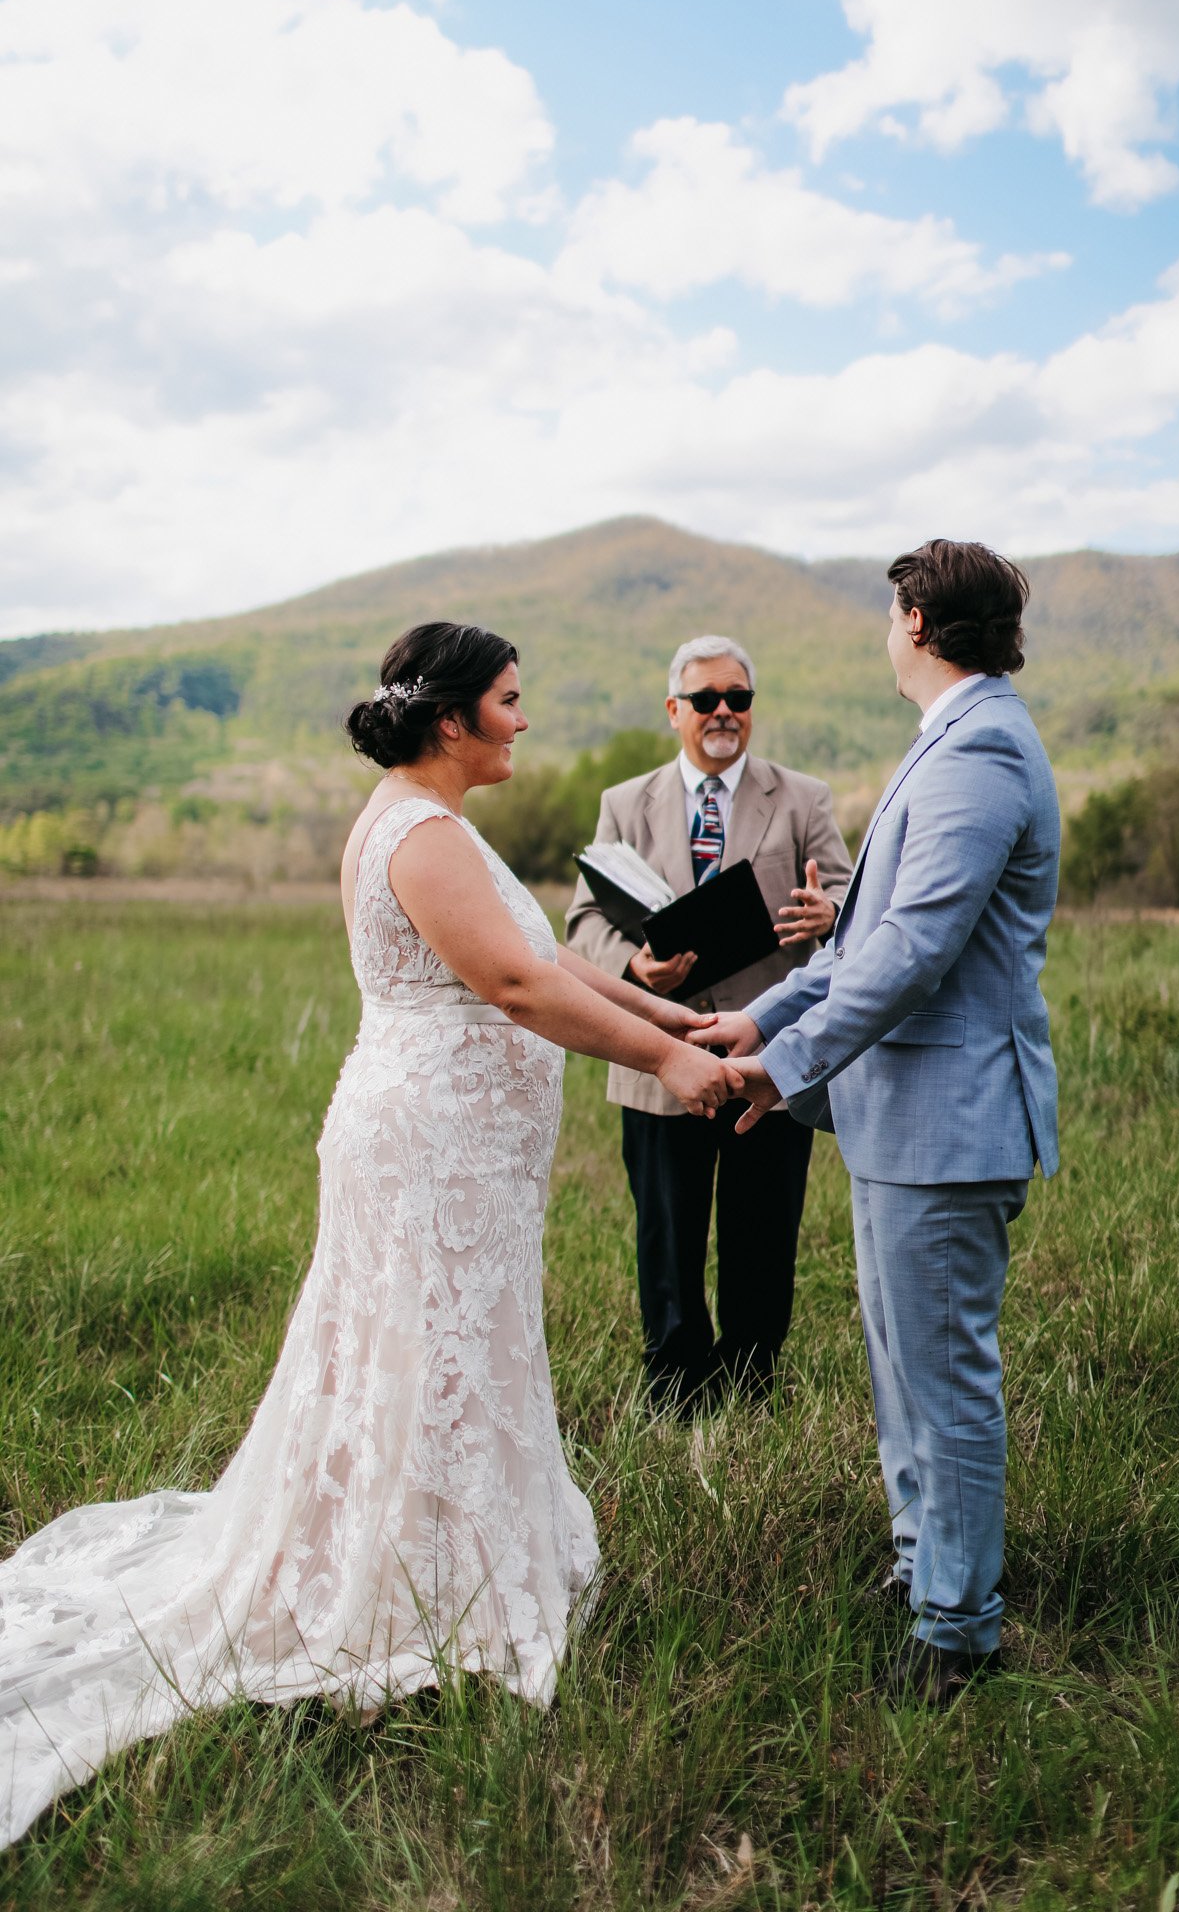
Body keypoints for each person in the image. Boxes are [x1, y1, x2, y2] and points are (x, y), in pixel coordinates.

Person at [0, 621, 738, 1850]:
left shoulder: (430, 819)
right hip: (428, 1149)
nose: (521, 718)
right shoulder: (421, 833)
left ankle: (435, 1541)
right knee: (415, 1344)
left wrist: (671, 1013)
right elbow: (517, 989)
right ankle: (404, 1578)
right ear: (451, 717)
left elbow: (551, 957)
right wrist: (671, 1060)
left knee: (435, 1346)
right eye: (509, 699)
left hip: (458, 1152)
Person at [698, 542, 1060, 1705]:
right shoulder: (950, 739)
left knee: (943, 1375)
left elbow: (911, 951)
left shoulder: (985, 746)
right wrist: (750, 1026)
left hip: (951, 1121)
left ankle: (957, 1632)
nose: (882, 629)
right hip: (902, 1118)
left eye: (885, 613)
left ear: (914, 620)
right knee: (902, 1368)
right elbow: (858, 944)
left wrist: (784, 1062)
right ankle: (923, 1567)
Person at [566, 635, 852, 1413]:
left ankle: (753, 1386)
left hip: (769, 1059)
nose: (723, 712)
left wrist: (830, 913)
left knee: (762, 1234)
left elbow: (860, 911)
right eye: (705, 700)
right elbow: (583, 920)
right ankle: (674, 1392)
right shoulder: (624, 803)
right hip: (656, 1052)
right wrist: (634, 969)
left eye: (738, 698)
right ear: (674, 711)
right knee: (667, 1235)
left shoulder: (804, 798)